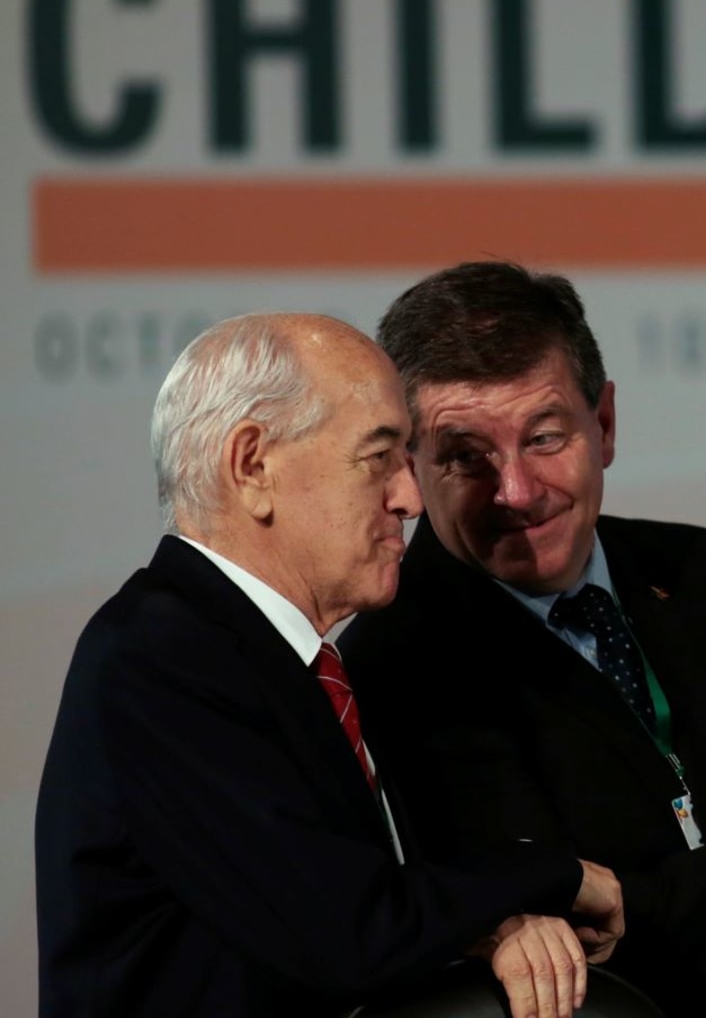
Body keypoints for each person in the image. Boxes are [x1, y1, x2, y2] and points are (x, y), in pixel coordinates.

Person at [340, 263, 706, 1017]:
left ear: (606, 425)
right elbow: (565, 924)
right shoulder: (392, 656)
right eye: (467, 456)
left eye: (545, 437)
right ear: (409, 466)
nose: (517, 491)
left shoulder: (701, 571)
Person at [36, 314, 627, 1018]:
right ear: (252, 465)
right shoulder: (159, 657)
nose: (408, 498)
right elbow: (348, 931)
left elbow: (351, 904)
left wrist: (490, 926)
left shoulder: (274, 657)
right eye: (378, 457)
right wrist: (558, 877)